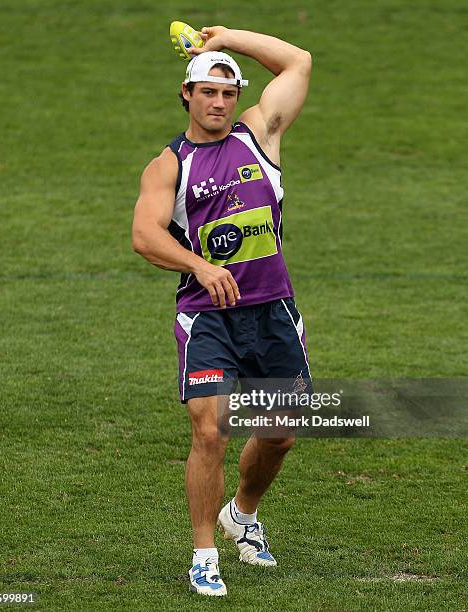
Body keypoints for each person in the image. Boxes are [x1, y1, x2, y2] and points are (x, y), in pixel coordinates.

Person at [132, 25, 312, 597]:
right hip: (206, 315)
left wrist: (228, 38)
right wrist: (201, 266)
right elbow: (144, 235)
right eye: (206, 92)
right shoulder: (169, 165)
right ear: (185, 95)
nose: (218, 102)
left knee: (280, 433)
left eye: (227, 93)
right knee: (210, 432)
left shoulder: (260, 135)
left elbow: (298, 62)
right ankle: (204, 553)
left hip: (273, 310)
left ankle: (243, 515)